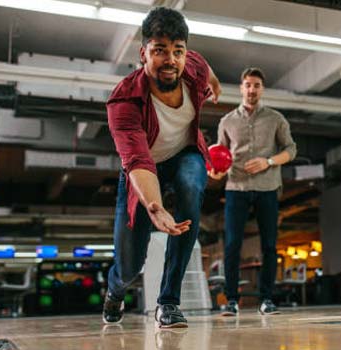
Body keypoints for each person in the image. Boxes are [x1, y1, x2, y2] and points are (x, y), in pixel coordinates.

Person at [103, 7, 221, 328]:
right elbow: (138, 161)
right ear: (143, 53)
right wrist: (154, 207)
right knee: (130, 265)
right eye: (159, 51)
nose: (170, 60)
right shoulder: (124, 102)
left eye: (177, 52)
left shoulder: (191, 66)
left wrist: (213, 82)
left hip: (185, 155)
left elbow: (203, 65)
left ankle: (168, 302)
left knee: (191, 184)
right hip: (143, 173)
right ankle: (114, 290)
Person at [208, 67, 297, 316]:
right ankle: (232, 300)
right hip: (236, 187)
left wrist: (268, 162)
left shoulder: (276, 119)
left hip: (267, 187)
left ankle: (267, 298)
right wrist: (215, 172)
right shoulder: (226, 122)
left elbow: (291, 150)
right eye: (248, 84)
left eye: (256, 85)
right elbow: (220, 158)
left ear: (262, 89)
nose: (252, 89)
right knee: (232, 245)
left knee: (269, 245)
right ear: (241, 87)